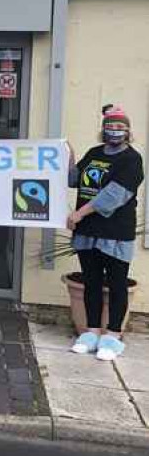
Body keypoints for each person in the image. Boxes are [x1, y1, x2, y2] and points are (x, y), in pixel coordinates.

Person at [68, 105, 144, 361]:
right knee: (91, 281)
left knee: (117, 283)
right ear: (103, 129)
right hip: (88, 230)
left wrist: (79, 214)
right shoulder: (94, 153)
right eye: (110, 127)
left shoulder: (132, 160)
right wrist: (68, 157)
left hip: (115, 231)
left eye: (120, 127)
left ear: (128, 131)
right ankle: (90, 332)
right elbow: (74, 180)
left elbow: (113, 196)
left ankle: (112, 336)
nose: (114, 131)